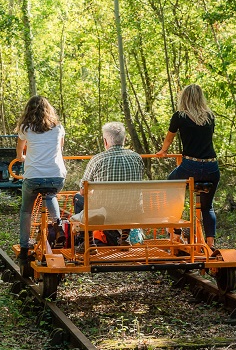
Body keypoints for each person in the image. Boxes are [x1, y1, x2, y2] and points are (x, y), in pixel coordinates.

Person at [155, 84, 219, 249]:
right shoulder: (210, 116)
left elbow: (169, 139)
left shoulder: (180, 116)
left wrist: (163, 151)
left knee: (170, 186)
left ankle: (177, 231)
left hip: (191, 166)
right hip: (212, 167)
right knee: (207, 206)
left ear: (184, 98)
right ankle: (210, 243)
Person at [16, 96, 67, 273]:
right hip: (56, 176)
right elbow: (59, 149)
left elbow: (20, 150)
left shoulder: (25, 128)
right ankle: (58, 224)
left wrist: (22, 157)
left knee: (26, 210)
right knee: (50, 194)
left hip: (33, 178)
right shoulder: (58, 128)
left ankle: (24, 248)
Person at [72, 122, 144, 247]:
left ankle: (88, 242)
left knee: (78, 197)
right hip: (133, 212)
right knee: (128, 200)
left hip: (105, 214)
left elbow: (83, 190)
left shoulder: (98, 159)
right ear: (124, 139)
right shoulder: (137, 158)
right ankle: (124, 238)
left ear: (105, 141)